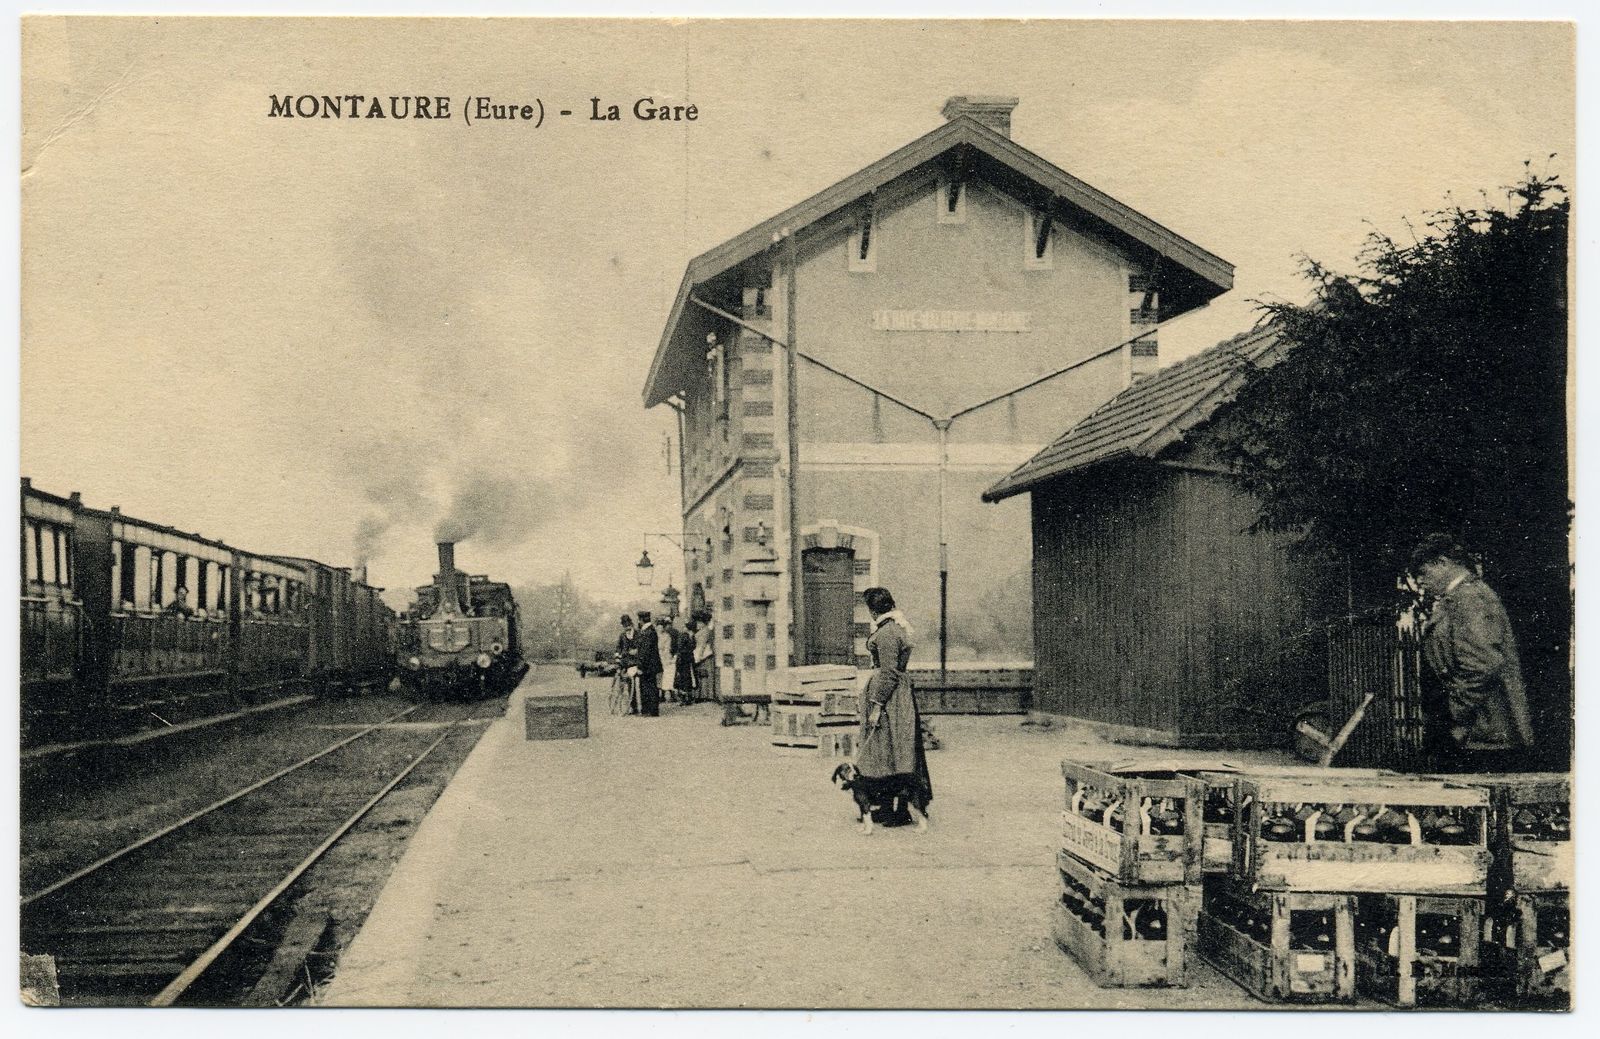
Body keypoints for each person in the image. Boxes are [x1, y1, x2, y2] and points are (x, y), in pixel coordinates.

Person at [1408, 534, 1534, 772]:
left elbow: (1483, 665)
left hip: (1483, 732)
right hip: (1476, 733)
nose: (1420, 581)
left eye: (1424, 572)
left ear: (1443, 562)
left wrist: (1455, 717)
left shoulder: (1470, 598)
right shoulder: (1459, 598)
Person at [857, 587, 933, 829]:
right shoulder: (894, 626)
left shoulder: (889, 633)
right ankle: (887, 807)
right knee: (886, 752)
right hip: (894, 696)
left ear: (873, 610)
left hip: (891, 699)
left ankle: (900, 812)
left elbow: (889, 673)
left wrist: (877, 706)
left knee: (892, 753)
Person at [634, 610, 662, 717]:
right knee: (651, 687)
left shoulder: (647, 632)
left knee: (646, 687)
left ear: (641, 620)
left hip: (647, 666)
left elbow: (644, 652)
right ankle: (652, 710)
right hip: (652, 665)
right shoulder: (651, 631)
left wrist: (640, 666)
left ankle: (649, 710)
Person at [615, 614, 640, 715]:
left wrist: (636, 651)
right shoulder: (622, 636)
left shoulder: (638, 634)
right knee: (622, 683)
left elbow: (641, 646)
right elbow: (618, 648)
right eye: (625, 625)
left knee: (631, 684)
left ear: (631, 623)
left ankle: (633, 706)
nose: (626, 627)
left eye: (628, 624)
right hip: (624, 662)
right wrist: (618, 658)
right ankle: (624, 702)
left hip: (634, 662)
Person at [692, 610, 717, 703]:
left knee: (704, 675)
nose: (697, 624)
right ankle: (703, 695)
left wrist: (698, 657)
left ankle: (705, 695)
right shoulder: (704, 631)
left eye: (699, 622)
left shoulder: (704, 631)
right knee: (703, 675)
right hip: (703, 655)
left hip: (704, 656)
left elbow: (702, 645)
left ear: (703, 622)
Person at [656, 615, 680, 704]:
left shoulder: (667, 636)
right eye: (658, 625)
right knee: (659, 676)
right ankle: (660, 695)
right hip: (657, 657)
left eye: (661, 625)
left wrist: (667, 657)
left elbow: (667, 648)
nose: (660, 627)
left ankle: (669, 693)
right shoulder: (654, 635)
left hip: (665, 657)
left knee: (667, 675)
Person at [676, 618, 699, 702]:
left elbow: (680, 648)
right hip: (687, 659)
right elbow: (693, 647)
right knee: (687, 678)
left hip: (683, 659)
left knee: (683, 678)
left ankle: (684, 698)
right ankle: (687, 697)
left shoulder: (683, 635)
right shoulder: (691, 636)